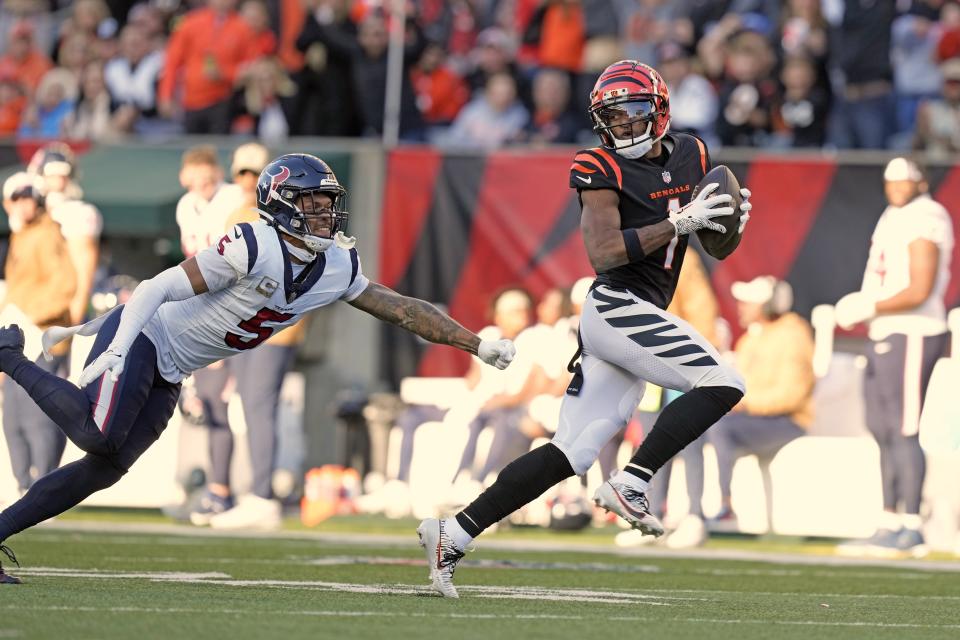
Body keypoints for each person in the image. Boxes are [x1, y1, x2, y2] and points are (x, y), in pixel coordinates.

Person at [0, 153, 516, 584]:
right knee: (98, 437)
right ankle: (12, 359)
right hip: (142, 334)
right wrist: (120, 342)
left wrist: (475, 344)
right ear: (281, 205)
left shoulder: (337, 265)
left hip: (173, 365)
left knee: (106, 469)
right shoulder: (252, 245)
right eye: (311, 203)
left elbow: (404, 308)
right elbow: (158, 287)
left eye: (327, 204)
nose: (322, 214)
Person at [417, 60, 752, 598]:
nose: (623, 125)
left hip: (634, 312)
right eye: (612, 116)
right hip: (617, 303)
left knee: (572, 450)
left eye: (633, 112)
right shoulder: (599, 166)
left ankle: (451, 534)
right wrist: (681, 221)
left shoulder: (694, 154)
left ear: (660, 109)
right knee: (725, 382)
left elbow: (718, 234)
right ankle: (633, 481)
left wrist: (726, 221)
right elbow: (603, 252)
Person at [834, 157, 953, 557]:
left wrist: (871, 307)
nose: (898, 187)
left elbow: (919, 288)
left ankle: (912, 525)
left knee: (904, 428)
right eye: (892, 181)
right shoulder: (892, 214)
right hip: (887, 331)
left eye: (905, 180)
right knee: (881, 427)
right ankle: (889, 519)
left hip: (913, 330)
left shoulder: (927, 215)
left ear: (920, 182)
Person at [707, 276, 814, 528]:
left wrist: (743, 403)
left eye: (749, 303)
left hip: (789, 422)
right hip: (757, 418)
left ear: (767, 305)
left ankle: (727, 506)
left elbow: (792, 395)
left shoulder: (793, 335)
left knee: (721, 426)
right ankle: (690, 509)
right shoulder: (751, 338)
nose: (741, 307)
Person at [0, 172, 77, 510]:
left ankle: (42, 493)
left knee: (36, 416)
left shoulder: (46, 233)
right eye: (17, 197)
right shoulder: (22, 236)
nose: (23, 203)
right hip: (22, 336)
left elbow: (64, 288)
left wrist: (27, 317)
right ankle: (24, 488)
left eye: (28, 196)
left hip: (41, 336)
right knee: (13, 418)